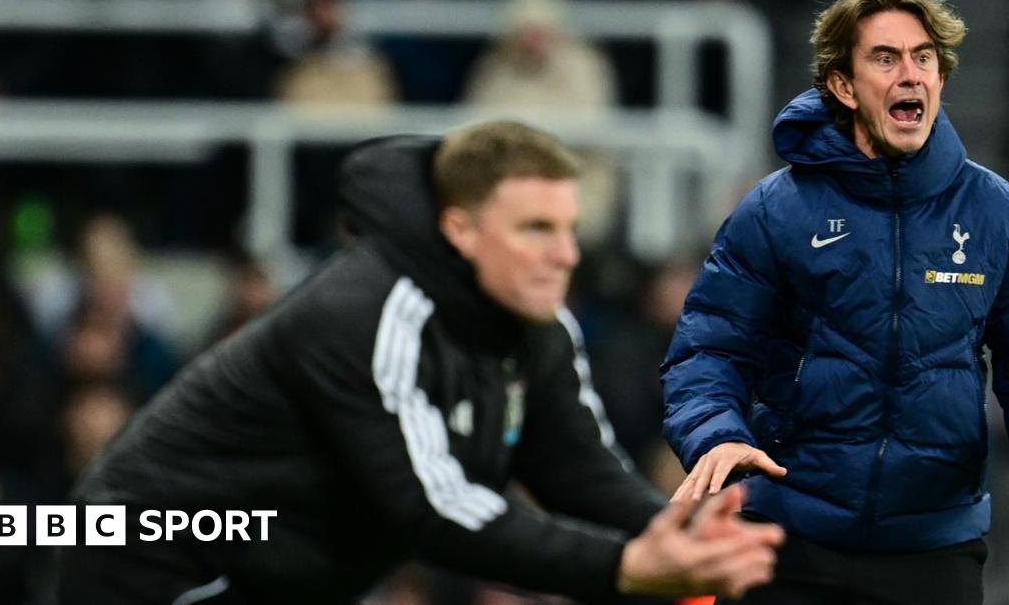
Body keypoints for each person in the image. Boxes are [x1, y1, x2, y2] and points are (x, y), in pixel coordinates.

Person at [55, 120, 784, 604]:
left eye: (568, 227)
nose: (565, 253)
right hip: (159, 557)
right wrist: (624, 568)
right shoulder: (369, 312)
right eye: (535, 228)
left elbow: (576, 470)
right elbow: (434, 507)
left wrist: (679, 533)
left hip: (272, 570)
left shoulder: (536, 324)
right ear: (461, 228)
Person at [662, 0, 1009, 605]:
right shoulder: (776, 210)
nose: (910, 74)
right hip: (787, 534)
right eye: (885, 58)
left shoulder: (1001, 214)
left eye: (924, 57)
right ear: (843, 85)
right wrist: (717, 432)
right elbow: (710, 347)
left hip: (934, 544)